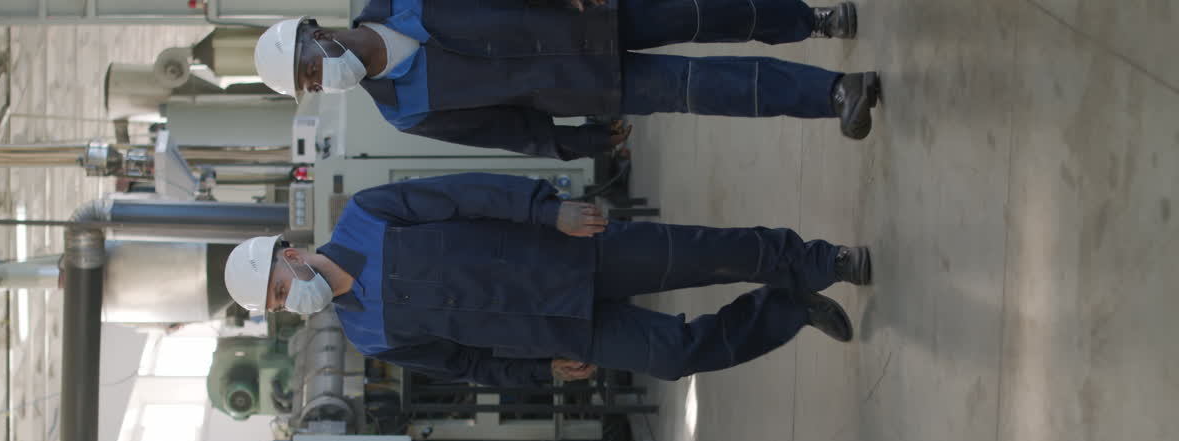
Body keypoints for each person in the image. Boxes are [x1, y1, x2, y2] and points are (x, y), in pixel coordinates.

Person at [224, 172, 871, 387]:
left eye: (280, 287)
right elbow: (465, 364)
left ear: (289, 253)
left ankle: (820, 261)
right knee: (676, 356)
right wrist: (538, 373)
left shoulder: (368, 214)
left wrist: (546, 208)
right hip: (561, 327)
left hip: (567, 255)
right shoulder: (368, 335)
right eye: (279, 307)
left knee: (702, 254)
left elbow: (467, 194)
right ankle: (791, 308)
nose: (289, 302)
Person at [252, 0, 882, 160]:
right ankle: (833, 95)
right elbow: (500, 131)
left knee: (705, 12)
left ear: (320, 31)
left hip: (578, 16)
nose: (321, 76)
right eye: (310, 82)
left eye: (311, 62)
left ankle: (811, 19)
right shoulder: (402, 111)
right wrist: (576, 143)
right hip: (582, 87)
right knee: (708, 86)